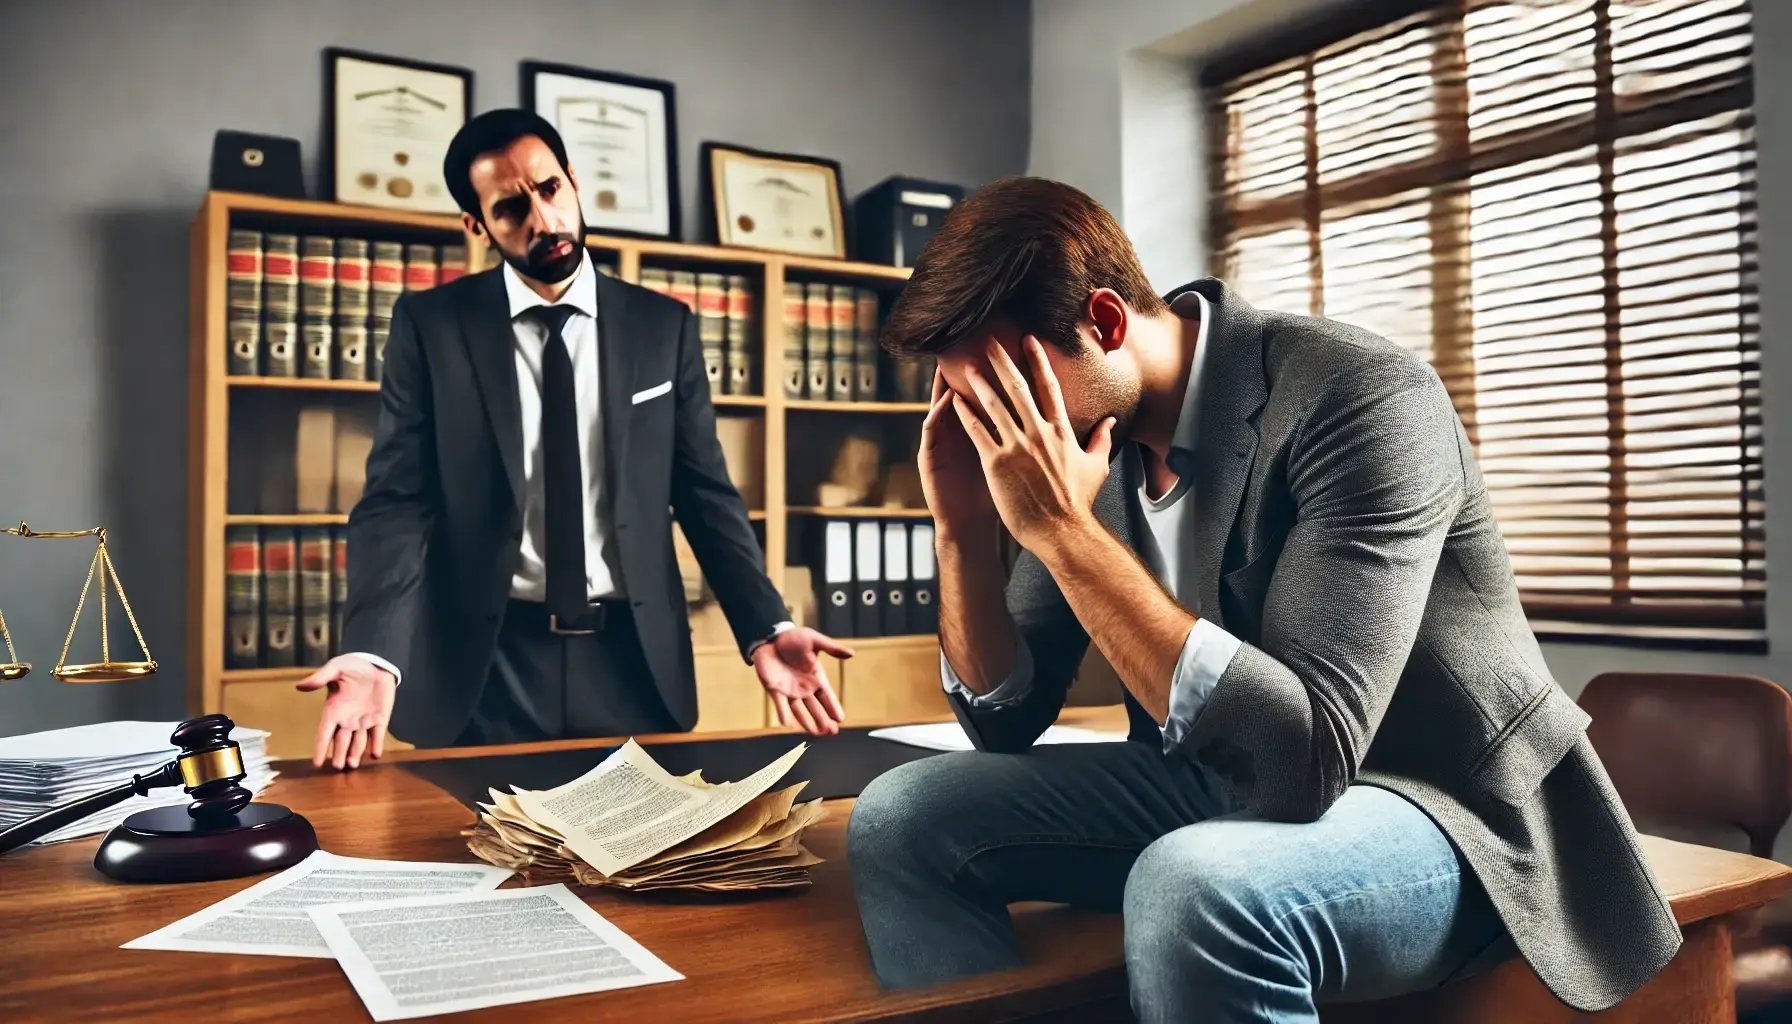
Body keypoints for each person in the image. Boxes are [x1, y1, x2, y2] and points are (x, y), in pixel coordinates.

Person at [846, 177, 1678, 1022]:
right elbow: (1004, 722)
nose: (998, 428)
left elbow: (1305, 760)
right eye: (969, 399)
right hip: (1216, 778)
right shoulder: (1085, 443)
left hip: (1442, 802)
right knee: (899, 816)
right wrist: (959, 531)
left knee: (1195, 887)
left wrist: (1062, 531)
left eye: (1007, 389)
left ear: (1104, 323)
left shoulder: (1360, 396)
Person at [297, 109, 849, 770]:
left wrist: (767, 624)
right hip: (484, 668)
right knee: (475, 838)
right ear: (477, 226)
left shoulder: (662, 327)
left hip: (633, 663)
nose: (543, 220)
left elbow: (705, 495)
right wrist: (371, 647)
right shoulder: (431, 325)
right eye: (510, 209)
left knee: (641, 839)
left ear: (574, 183)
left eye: (550, 189)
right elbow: (397, 499)